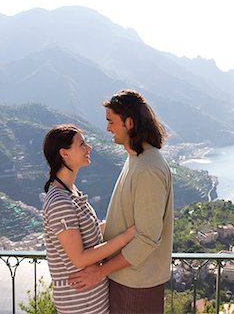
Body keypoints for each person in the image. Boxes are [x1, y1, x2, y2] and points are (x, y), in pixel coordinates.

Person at [68, 89, 174, 314]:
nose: (107, 128)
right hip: (128, 280)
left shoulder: (148, 168)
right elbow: (126, 221)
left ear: (130, 122)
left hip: (137, 286)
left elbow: (147, 238)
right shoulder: (136, 159)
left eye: (111, 121)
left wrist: (100, 270)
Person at [42, 123, 136, 314]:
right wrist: (127, 236)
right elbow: (79, 259)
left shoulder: (71, 193)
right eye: (82, 144)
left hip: (91, 297)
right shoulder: (60, 201)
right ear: (64, 153)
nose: (89, 148)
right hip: (79, 301)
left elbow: (91, 234)